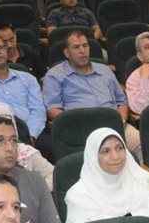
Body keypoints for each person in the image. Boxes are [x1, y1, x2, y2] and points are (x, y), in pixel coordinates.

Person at [43, 29, 141, 160]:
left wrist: (121, 121)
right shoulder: (55, 75)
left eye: (85, 45)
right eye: (76, 47)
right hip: (80, 130)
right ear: (67, 53)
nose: (82, 51)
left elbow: (121, 101)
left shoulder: (104, 70)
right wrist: (78, 124)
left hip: (114, 126)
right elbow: (52, 109)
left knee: (140, 142)